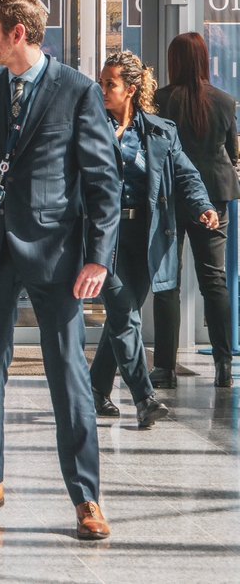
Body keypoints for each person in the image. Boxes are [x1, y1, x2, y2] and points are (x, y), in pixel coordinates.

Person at [0, 0, 119, 540]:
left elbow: (102, 184)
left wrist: (98, 259)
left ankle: (86, 497)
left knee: (67, 373)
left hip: (58, 254)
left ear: (17, 34)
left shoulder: (79, 92)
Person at [88, 51, 217, 427]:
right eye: (101, 82)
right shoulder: (90, 127)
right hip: (102, 238)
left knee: (120, 318)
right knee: (125, 315)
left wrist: (203, 207)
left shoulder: (161, 131)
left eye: (109, 83)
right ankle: (144, 398)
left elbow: (187, 176)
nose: (102, 89)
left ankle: (95, 389)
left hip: (143, 237)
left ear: (130, 89)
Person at [153, 32, 239, 389]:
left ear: (174, 62)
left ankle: (165, 368)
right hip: (214, 198)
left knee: (167, 281)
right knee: (214, 280)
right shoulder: (224, 101)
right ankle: (222, 363)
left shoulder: (161, 100)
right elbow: (231, 152)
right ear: (204, 60)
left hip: (171, 198)